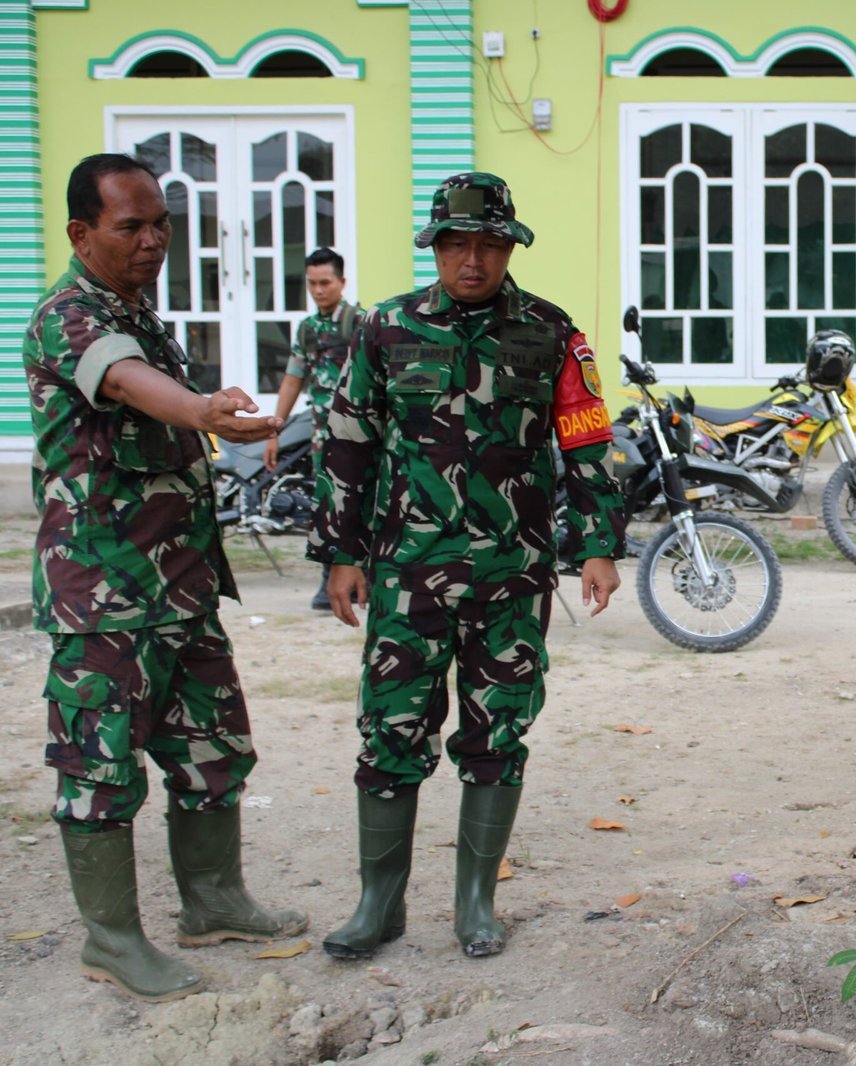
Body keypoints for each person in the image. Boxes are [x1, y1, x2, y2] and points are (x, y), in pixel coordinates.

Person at [308, 172, 626, 960]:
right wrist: (340, 554)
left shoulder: (551, 334)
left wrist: (597, 544)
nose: (473, 260)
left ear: (508, 246)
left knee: (498, 733)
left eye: (488, 244)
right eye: (457, 244)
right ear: (436, 247)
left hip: (511, 576)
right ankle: (377, 907)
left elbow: (585, 443)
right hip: (406, 577)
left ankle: (475, 905)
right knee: (391, 733)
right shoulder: (383, 329)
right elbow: (344, 445)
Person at [23, 154, 307, 1002]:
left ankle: (213, 900)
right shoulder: (68, 314)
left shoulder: (142, 313)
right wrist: (203, 410)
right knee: (101, 771)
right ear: (81, 233)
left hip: (179, 583)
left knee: (213, 750)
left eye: (161, 225)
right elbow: (123, 383)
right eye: (130, 227)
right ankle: (112, 940)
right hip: (104, 594)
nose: (153, 242)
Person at [263, 246, 363, 611]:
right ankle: (328, 580)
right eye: (312, 284)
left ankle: (361, 577)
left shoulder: (358, 324)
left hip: (359, 434)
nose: (319, 290)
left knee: (361, 501)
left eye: (325, 283)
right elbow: (292, 379)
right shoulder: (307, 329)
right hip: (323, 437)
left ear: (342, 282)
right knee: (326, 505)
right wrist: (275, 429)